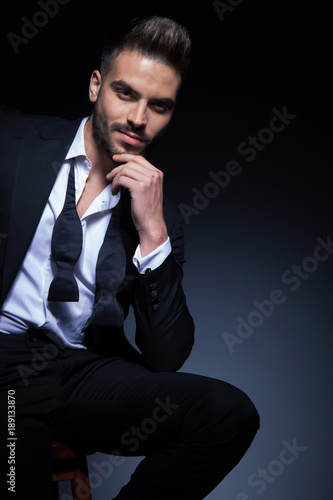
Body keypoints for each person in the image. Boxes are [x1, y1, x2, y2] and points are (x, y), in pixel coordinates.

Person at [0, 16, 259, 500]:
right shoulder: (13, 143)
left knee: (228, 413)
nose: (140, 118)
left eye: (159, 106)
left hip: (83, 371)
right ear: (96, 86)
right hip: (7, 365)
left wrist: (152, 230)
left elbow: (167, 356)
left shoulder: (160, 217)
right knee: (19, 478)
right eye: (126, 94)